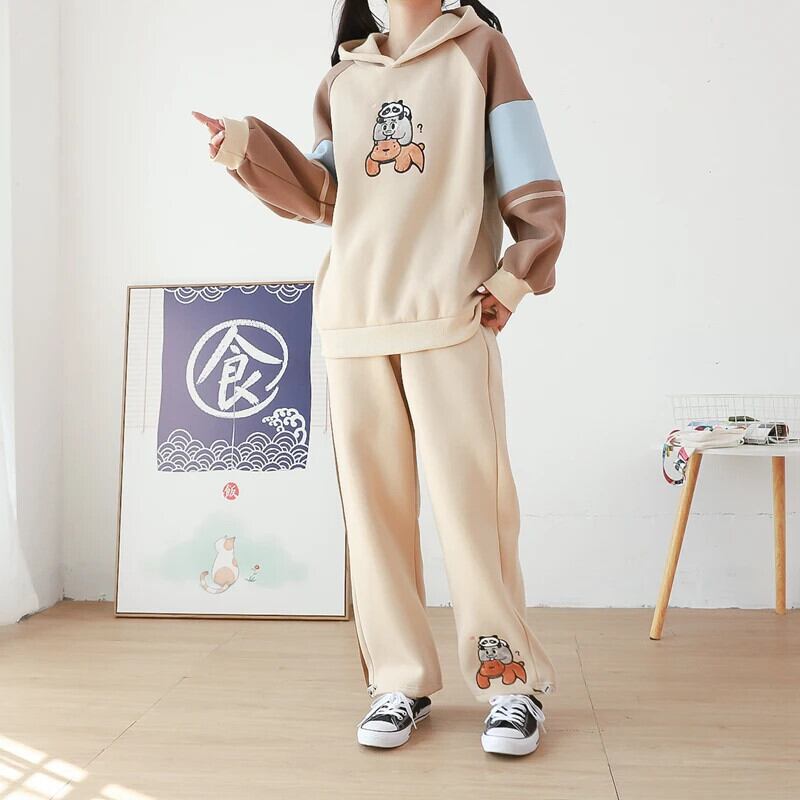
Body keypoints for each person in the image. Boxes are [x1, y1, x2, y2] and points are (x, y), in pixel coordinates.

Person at [193, 0, 565, 757]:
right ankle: (400, 680)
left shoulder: (481, 53)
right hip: (354, 321)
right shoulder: (344, 79)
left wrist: (515, 277)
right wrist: (245, 146)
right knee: (374, 518)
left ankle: (509, 684)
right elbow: (325, 195)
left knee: (475, 511)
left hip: (449, 315)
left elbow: (531, 176)